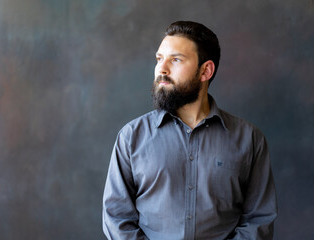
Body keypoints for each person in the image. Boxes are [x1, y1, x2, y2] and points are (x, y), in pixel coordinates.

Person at [102, 21, 277, 240]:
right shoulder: (131, 137)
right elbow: (117, 219)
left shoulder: (249, 139)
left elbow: (259, 220)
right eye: (159, 59)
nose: (162, 69)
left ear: (205, 71)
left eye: (175, 60)